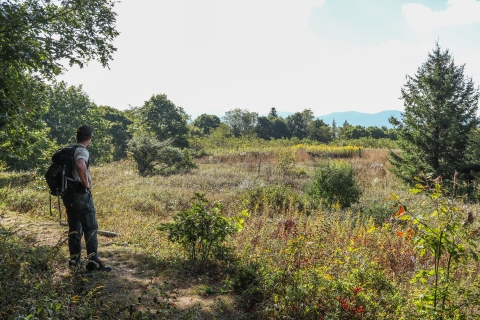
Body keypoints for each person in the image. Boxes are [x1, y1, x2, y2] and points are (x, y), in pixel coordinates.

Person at [64, 125, 111, 272]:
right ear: (89, 137)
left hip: (68, 195)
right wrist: (86, 184)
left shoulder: (70, 149)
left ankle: (74, 261)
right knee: (90, 228)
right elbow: (80, 164)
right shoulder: (82, 151)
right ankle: (93, 262)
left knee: (74, 228)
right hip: (80, 195)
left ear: (77, 136)